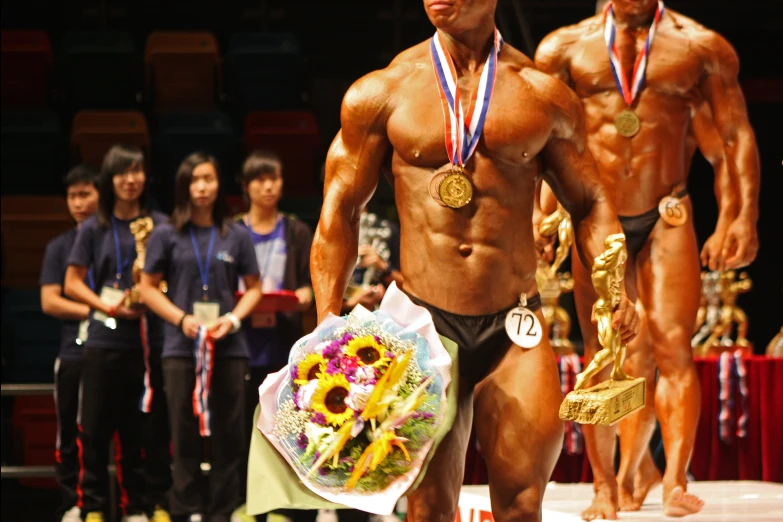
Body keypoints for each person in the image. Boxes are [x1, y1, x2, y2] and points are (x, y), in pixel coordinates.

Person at [309, 1, 639, 520]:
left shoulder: (542, 93)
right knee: (428, 508)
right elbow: (340, 207)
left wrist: (616, 289)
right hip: (422, 327)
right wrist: (326, 320)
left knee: (523, 504)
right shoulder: (383, 90)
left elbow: (591, 201)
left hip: (515, 328)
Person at [535, 0, 760, 517]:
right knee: (607, 352)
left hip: (667, 211)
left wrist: (739, 217)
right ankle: (605, 486)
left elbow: (732, 136)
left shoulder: (699, 46)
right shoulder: (565, 47)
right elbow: (546, 139)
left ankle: (674, 481)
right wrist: (539, 214)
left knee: (673, 349)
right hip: (596, 216)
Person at [140, 152, 262, 522]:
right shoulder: (166, 234)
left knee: (230, 432)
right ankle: (188, 507)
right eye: (195, 180)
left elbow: (255, 288)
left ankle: (224, 509)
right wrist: (181, 319)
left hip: (229, 347)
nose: (203, 187)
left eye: (208, 178)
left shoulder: (235, 234)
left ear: (219, 183)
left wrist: (234, 320)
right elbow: (146, 289)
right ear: (184, 186)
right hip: (180, 347)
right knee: (183, 428)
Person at [65, 145, 169, 522]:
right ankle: (92, 505)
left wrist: (152, 298)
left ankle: (139, 506)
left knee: (144, 428)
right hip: (104, 340)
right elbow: (72, 282)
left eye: (137, 171)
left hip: (149, 340)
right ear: (110, 180)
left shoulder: (160, 224)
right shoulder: (95, 226)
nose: (130, 179)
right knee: (93, 427)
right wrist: (109, 306)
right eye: (122, 173)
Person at [235, 150, 316, 522]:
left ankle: (282, 506)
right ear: (247, 186)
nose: (268, 186)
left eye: (275, 178)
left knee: (284, 428)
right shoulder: (232, 231)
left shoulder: (296, 230)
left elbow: (309, 281)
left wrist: (305, 295)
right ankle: (244, 502)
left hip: (283, 342)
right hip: (238, 342)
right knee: (238, 426)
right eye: (260, 179)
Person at [40, 165, 100, 522]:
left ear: (99, 195)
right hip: (74, 352)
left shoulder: (116, 240)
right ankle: (73, 504)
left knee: (117, 432)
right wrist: (100, 311)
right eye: (72, 196)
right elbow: (49, 301)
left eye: (85, 194)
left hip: (117, 350)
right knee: (70, 432)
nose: (78, 203)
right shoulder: (59, 247)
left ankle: (120, 504)